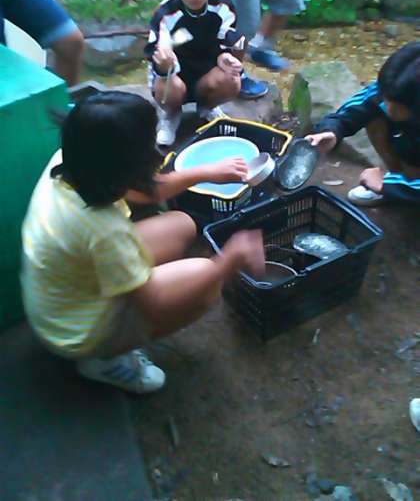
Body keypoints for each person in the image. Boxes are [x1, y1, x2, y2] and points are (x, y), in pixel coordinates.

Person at [21, 91, 264, 395]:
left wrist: (206, 173)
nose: (155, 153)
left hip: (64, 294)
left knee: (181, 225)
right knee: (206, 281)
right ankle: (103, 360)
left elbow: (142, 192)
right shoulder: (104, 230)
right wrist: (228, 261)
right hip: (72, 332)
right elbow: (153, 304)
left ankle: (110, 333)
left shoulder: (76, 160)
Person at [144, 0, 244, 146]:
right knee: (170, 85)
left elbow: (226, 42)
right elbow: (155, 52)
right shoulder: (167, 13)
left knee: (232, 80)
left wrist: (226, 58)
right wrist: (164, 63)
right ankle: (171, 115)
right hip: (175, 74)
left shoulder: (222, 7)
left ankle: (207, 107)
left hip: (205, 74)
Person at [306, 42, 420, 207]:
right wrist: (332, 130)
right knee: (373, 115)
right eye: (387, 99)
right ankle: (400, 182)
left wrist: (386, 185)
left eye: (397, 105)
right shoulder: (393, 87)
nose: (388, 108)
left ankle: (402, 187)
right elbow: (359, 105)